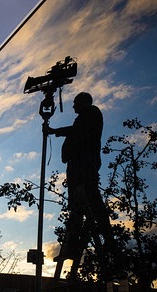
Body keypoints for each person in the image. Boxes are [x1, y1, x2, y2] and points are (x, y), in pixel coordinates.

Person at [47, 92, 115, 263]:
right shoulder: (84, 118)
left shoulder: (92, 114)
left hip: (84, 168)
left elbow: (78, 132)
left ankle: (109, 242)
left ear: (84, 102)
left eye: (75, 103)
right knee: (77, 209)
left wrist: (56, 131)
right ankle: (71, 247)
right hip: (77, 169)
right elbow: (75, 135)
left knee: (94, 204)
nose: (73, 106)